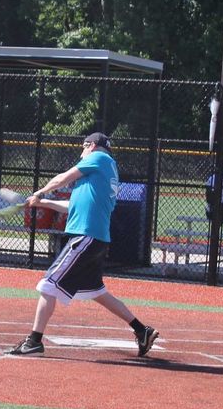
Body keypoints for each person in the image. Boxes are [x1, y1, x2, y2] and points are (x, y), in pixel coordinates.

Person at [8, 132, 159, 356]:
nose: (81, 152)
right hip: (96, 240)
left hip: (85, 237)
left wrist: (39, 191)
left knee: (48, 284)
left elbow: (62, 178)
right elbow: (74, 206)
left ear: (92, 145)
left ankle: (34, 341)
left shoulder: (100, 159)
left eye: (83, 146)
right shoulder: (103, 172)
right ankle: (141, 330)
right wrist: (43, 202)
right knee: (97, 292)